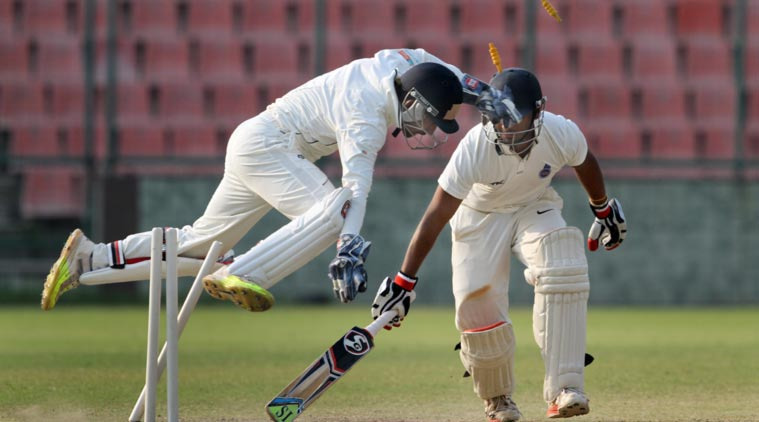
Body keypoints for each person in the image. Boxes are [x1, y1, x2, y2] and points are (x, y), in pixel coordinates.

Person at [41, 48, 483, 312]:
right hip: (271, 146)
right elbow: (356, 188)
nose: (426, 131)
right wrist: (349, 242)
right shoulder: (364, 116)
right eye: (428, 120)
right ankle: (246, 271)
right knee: (335, 212)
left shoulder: (396, 65)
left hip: (258, 143)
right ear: (412, 100)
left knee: (200, 246)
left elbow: (427, 60)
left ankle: (89, 258)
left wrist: (480, 90)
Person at [370, 68, 626, 421]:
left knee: (563, 261)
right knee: (478, 307)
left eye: (514, 118)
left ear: (538, 111)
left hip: (533, 205)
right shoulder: (475, 147)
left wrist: (602, 206)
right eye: (497, 119)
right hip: (478, 215)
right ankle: (497, 399)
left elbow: (584, 162)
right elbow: (436, 214)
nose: (505, 128)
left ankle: (566, 388)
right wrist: (404, 280)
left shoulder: (559, 131)